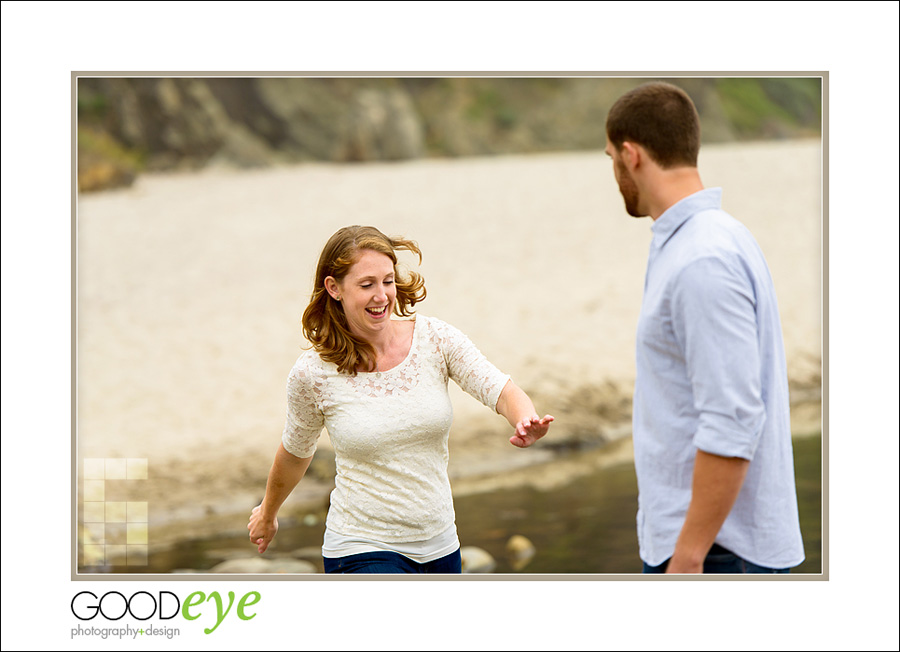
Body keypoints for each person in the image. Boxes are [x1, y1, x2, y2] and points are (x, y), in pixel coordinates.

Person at [247, 225, 554, 574]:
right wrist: (268, 514)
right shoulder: (313, 373)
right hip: (360, 547)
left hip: (441, 545)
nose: (382, 296)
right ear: (334, 288)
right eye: (366, 285)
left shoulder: (435, 339)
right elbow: (295, 452)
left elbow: (498, 388)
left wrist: (524, 418)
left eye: (388, 281)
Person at [604, 82, 805, 574]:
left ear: (631, 155)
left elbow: (733, 418)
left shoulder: (702, 259)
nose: (612, 171)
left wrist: (688, 556)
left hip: (719, 553)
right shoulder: (706, 239)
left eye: (610, 157)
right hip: (712, 545)